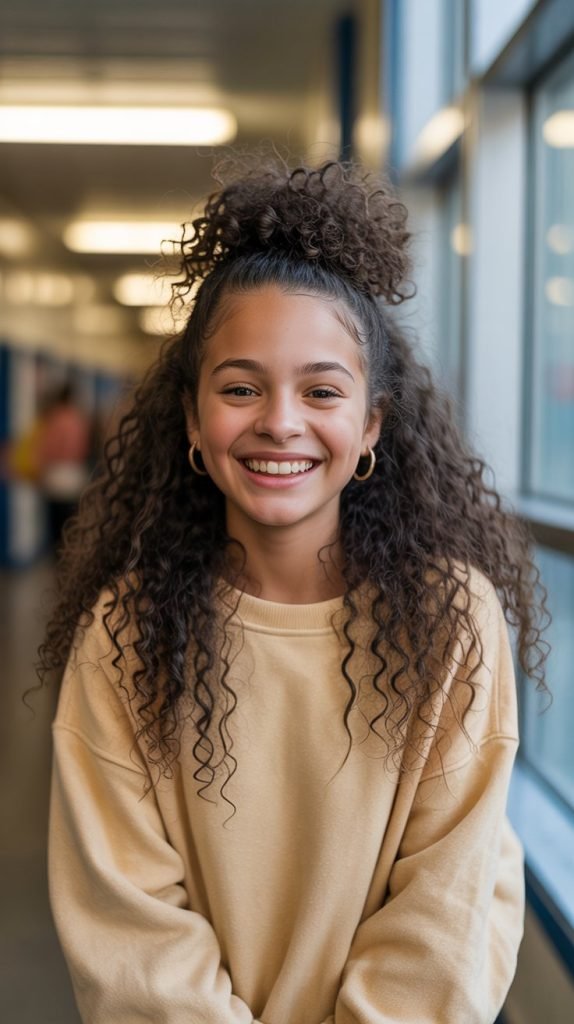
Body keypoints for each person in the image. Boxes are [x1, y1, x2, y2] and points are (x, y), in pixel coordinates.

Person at [40, 157, 549, 1024]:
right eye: (241, 388)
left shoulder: (451, 620)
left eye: (321, 390)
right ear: (195, 422)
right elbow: (131, 934)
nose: (280, 420)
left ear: (370, 426)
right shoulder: (123, 635)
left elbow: (449, 913)